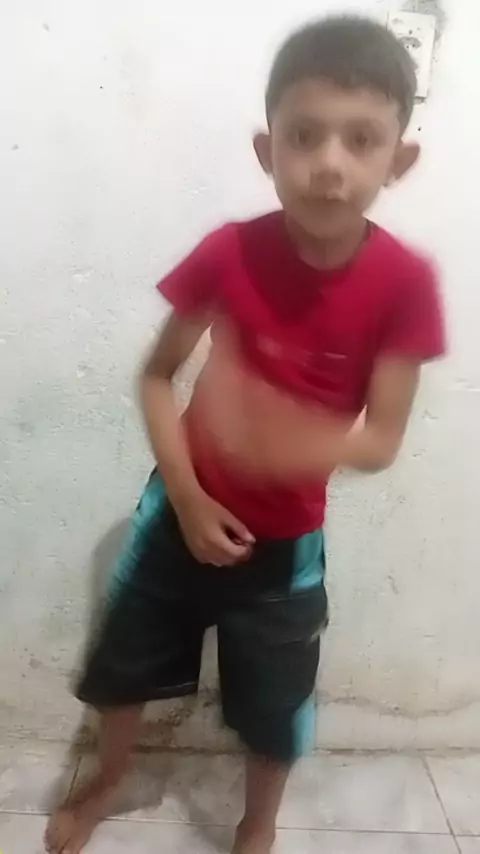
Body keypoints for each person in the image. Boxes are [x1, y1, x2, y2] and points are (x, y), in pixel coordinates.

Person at [45, 14, 446, 854]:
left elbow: (380, 441)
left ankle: (257, 823)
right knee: (122, 671)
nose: (329, 163)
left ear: (398, 161)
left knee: (276, 705)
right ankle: (107, 778)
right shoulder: (228, 254)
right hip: (178, 510)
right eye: (304, 135)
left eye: (361, 140)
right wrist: (189, 499)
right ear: (268, 151)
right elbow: (157, 379)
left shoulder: (404, 283)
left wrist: (278, 435)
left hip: (286, 547)